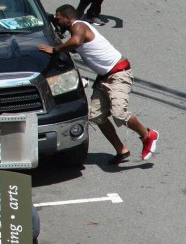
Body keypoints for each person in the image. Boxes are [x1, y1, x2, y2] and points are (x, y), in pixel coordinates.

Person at [39, 6, 158, 163]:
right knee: (96, 116)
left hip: (118, 74)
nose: (57, 20)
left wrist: (55, 49)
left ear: (67, 18)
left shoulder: (79, 26)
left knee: (119, 112)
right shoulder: (77, 30)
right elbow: (75, 46)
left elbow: (75, 41)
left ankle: (148, 135)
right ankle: (121, 150)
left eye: (58, 17)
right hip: (104, 78)